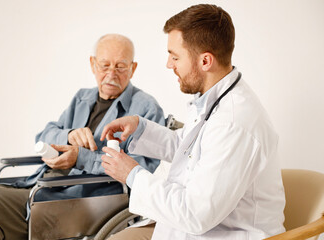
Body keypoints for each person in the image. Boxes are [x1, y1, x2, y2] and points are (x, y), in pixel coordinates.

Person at [100, 5, 285, 240]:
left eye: (175, 56)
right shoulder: (216, 99)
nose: (169, 64)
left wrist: (133, 175)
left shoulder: (234, 123)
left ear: (205, 61)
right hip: (189, 226)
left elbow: (195, 215)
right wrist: (141, 128)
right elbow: (192, 149)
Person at [0, 34, 165, 240]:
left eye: (120, 66)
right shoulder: (82, 98)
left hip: (82, 200)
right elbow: (44, 135)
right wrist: (68, 135)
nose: (111, 74)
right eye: (104, 65)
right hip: (43, 182)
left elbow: (142, 168)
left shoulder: (145, 109)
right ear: (92, 64)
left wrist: (81, 158)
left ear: (133, 68)